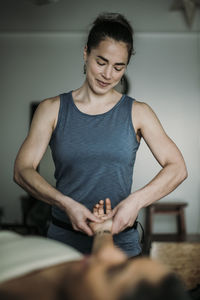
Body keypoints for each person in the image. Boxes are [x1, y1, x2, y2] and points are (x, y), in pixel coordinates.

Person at [14, 12, 187, 257]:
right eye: (101, 62)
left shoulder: (139, 112)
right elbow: (22, 170)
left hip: (121, 244)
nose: (108, 75)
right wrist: (65, 203)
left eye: (118, 67)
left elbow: (177, 168)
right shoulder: (51, 109)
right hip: (63, 244)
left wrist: (135, 202)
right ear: (86, 53)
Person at [0, 200, 191, 300]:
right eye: (125, 261)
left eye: (113, 271)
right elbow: (105, 250)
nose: (113, 254)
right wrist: (104, 229)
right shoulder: (81, 274)